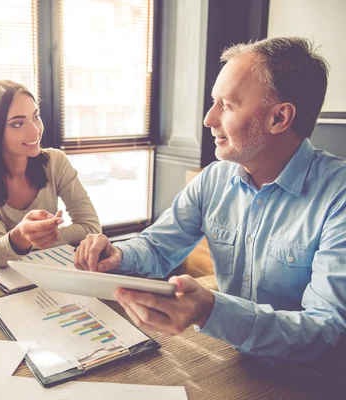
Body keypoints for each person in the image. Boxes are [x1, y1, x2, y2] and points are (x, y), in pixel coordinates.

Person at [74, 37, 346, 362]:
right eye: (213, 102)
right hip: (231, 359)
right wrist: (117, 254)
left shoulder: (338, 196)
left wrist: (208, 309)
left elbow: (326, 333)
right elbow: (158, 247)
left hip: (309, 379)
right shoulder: (214, 179)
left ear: (279, 118)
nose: (209, 119)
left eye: (227, 105)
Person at [0, 80, 101, 267]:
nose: (35, 131)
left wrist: (22, 242)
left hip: (48, 269)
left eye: (35, 116)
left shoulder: (55, 161)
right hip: (3, 277)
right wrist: (17, 238)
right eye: (18, 124)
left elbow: (91, 227)